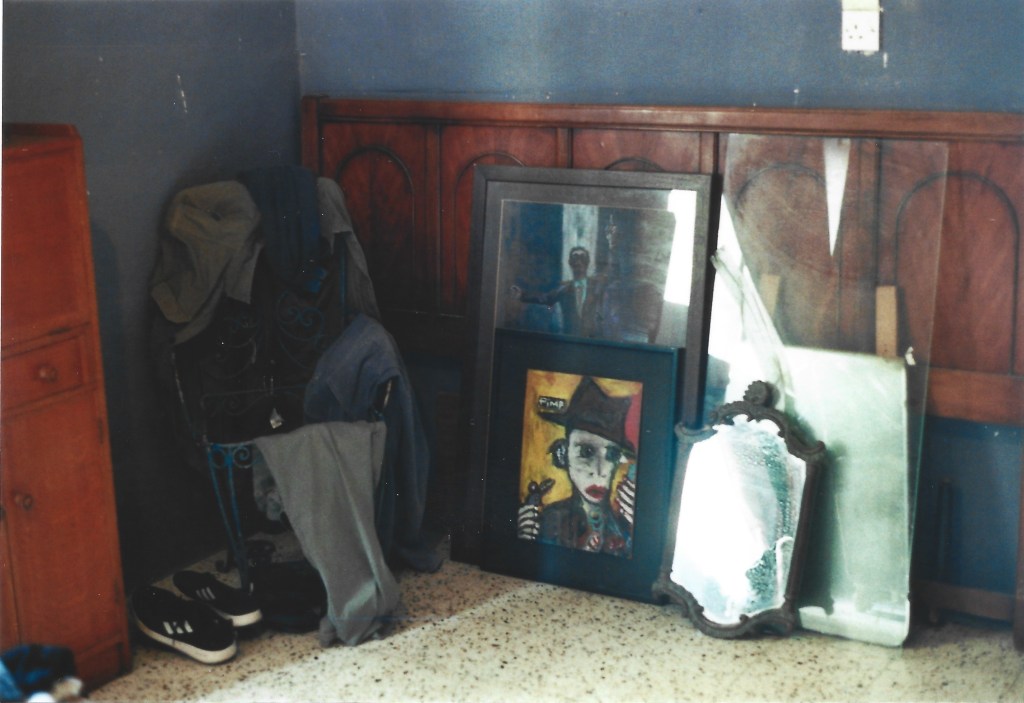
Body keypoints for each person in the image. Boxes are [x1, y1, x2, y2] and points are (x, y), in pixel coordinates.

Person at [517, 376, 637, 557]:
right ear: (563, 454)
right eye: (586, 452)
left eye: (612, 455)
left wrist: (637, 529)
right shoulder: (549, 520)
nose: (600, 472)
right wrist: (524, 539)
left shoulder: (624, 525)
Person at [510, 246, 602, 337]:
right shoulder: (564, 290)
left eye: (583, 257)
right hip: (570, 339)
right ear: (570, 263)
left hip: (593, 339)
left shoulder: (597, 287)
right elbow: (545, 298)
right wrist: (522, 295)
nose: (579, 262)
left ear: (588, 262)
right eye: (575, 257)